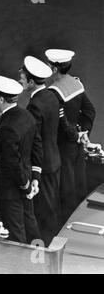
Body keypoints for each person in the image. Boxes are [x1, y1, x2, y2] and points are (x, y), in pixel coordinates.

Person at [45, 49, 96, 224]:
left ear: (53, 69)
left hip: (62, 146)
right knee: (78, 184)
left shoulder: (53, 92)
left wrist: (74, 135)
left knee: (65, 187)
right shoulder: (76, 84)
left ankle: (64, 224)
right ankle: (78, 220)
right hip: (77, 144)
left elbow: (61, 121)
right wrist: (83, 133)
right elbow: (90, 112)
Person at [0, 75, 42, 244]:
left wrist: (25, 187)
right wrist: (34, 178)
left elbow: (12, 162)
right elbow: (36, 146)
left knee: (14, 231)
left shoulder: (7, 127)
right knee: (30, 224)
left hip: (12, 187)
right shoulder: (26, 116)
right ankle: (38, 262)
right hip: (26, 177)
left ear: (1, 98)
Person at [18, 56, 60, 246]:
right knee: (50, 209)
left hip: (42, 164)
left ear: (31, 82)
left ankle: (42, 253)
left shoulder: (35, 105)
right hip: (54, 160)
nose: (20, 80)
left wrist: (34, 171)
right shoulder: (51, 96)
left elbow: (35, 141)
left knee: (41, 214)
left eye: (23, 77)